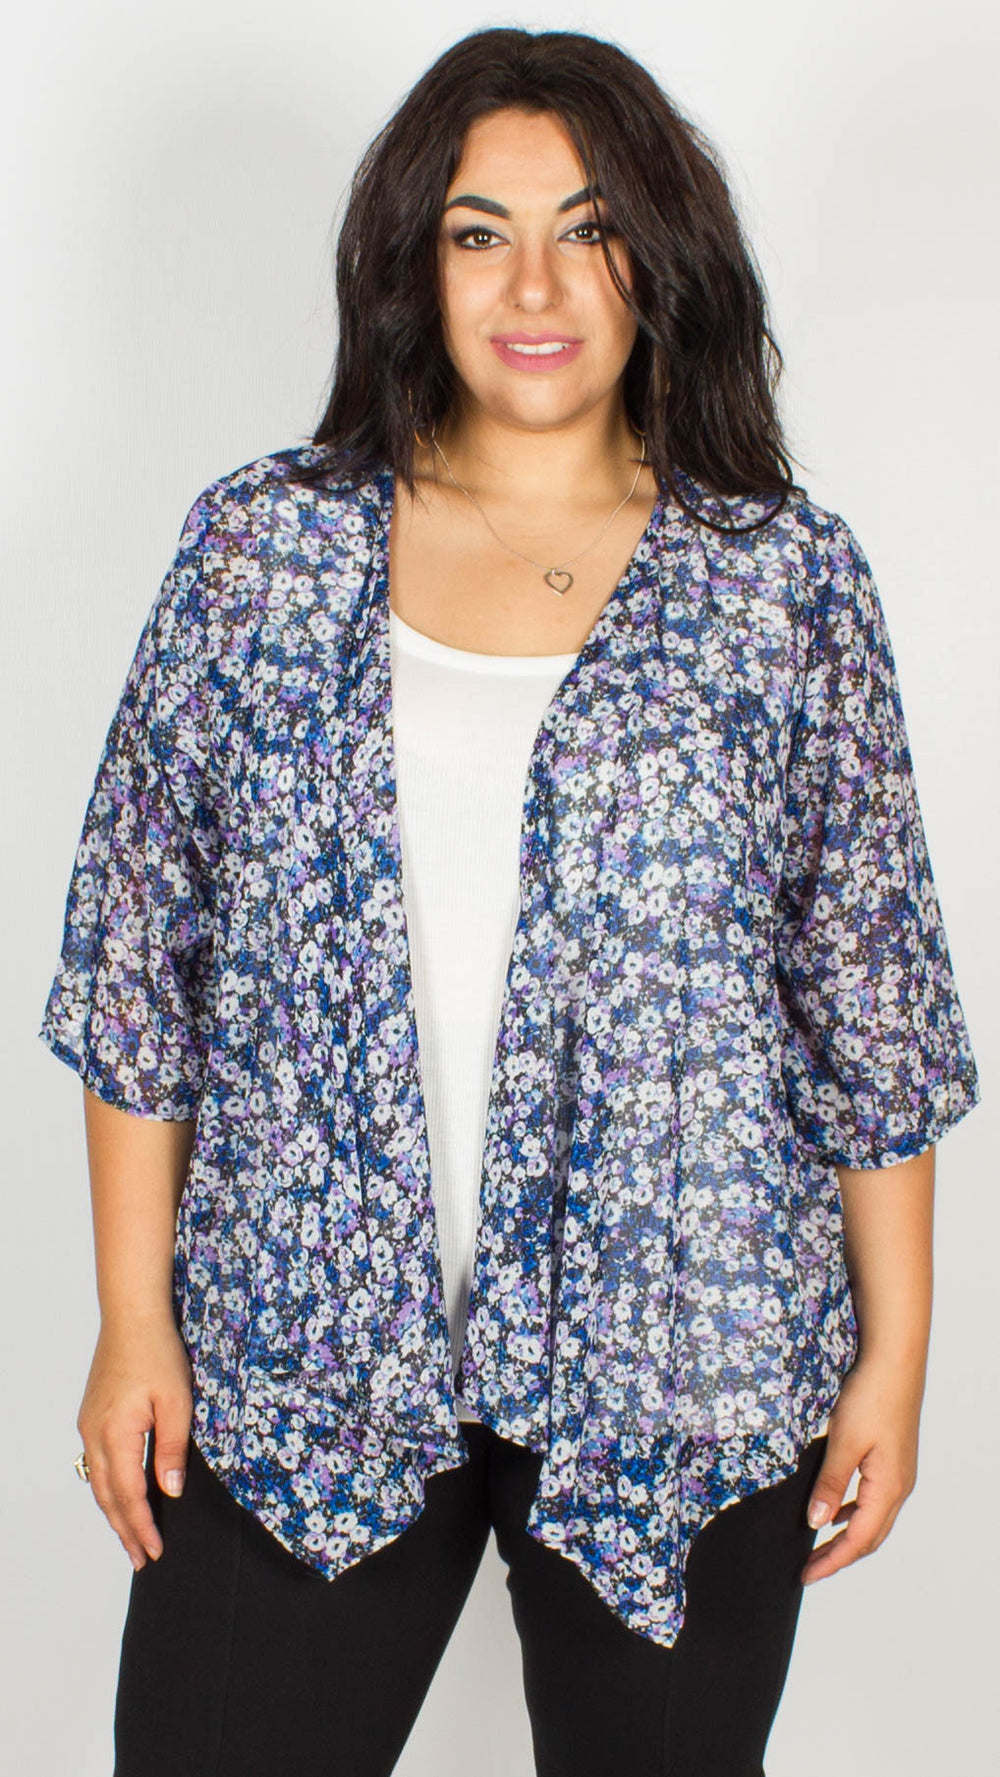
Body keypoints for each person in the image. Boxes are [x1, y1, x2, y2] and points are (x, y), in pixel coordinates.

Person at [39, 26, 979, 1777]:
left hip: (688, 1364)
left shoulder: (783, 587)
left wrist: (898, 1359)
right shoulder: (261, 551)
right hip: (304, 1350)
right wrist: (133, 1316)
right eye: (481, 234)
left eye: (588, 229)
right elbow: (138, 963)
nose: (533, 287)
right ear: (416, 263)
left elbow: (872, 1007)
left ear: (660, 259)